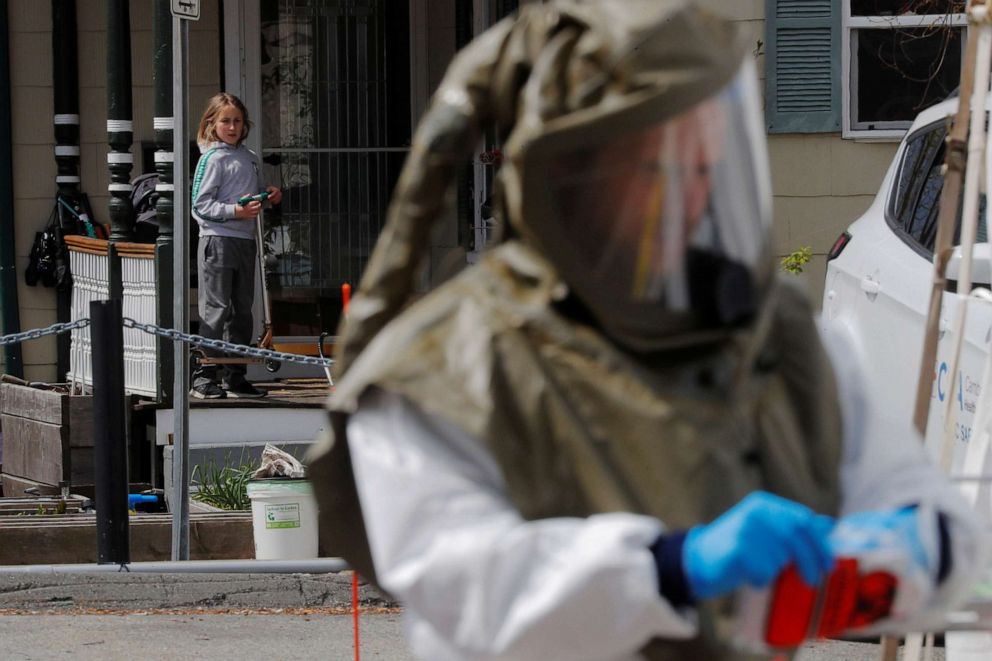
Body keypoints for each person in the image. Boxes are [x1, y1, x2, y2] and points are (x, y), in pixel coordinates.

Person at [309, 2, 986, 659]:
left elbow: (947, 538)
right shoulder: (440, 366)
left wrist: (889, 559)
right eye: (655, 163)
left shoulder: (780, 339)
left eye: (705, 161)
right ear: (567, 177)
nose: (692, 192)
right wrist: (672, 566)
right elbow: (466, 581)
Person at [190, 92, 282, 399]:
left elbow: (252, 198)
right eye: (225, 121)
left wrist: (266, 197)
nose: (232, 127)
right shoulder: (212, 159)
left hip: (245, 241)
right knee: (216, 308)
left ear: (245, 125)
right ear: (212, 123)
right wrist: (235, 212)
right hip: (217, 240)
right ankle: (204, 374)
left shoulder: (250, 158)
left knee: (243, 310)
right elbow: (200, 205)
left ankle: (236, 374)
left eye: (237, 121)